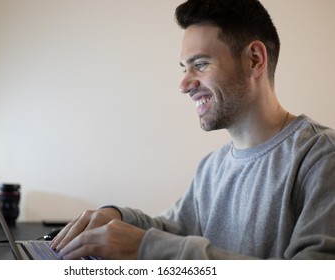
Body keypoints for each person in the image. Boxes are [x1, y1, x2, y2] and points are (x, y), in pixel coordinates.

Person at [50, 0, 335, 259]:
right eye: (184, 68)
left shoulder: (321, 157)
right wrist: (117, 217)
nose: (184, 85)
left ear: (255, 60)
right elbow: (173, 229)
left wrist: (146, 248)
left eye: (200, 64)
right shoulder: (211, 168)